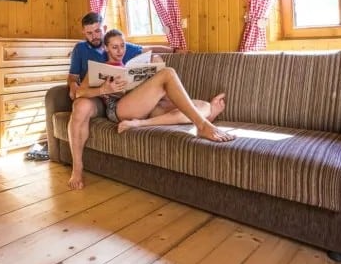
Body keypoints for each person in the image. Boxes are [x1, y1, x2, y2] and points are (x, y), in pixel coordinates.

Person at [70, 29, 234, 189]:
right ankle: (202, 125)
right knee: (168, 73)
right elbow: (79, 93)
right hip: (118, 109)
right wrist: (103, 90)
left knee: (204, 106)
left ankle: (141, 123)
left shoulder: (129, 65)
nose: (120, 51)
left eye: (122, 46)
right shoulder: (100, 68)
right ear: (106, 48)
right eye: (114, 47)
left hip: (144, 107)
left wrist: (152, 68)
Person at [65, 13, 174, 190]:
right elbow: (73, 77)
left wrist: (173, 50)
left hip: (118, 99)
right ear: (83, 33)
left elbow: (147, 50)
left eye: (97, 31)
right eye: (89, 33)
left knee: (162, 91)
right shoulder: (80, 49)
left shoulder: (119, 45)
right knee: (80, 106)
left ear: (104, 28)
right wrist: (73, 86)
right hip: (94, 95)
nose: (94, 36)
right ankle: (77, 168)